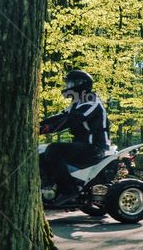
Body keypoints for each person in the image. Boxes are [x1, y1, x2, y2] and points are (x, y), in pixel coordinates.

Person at [39, 69, 111, 206]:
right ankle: (48, 189)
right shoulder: (76, 104)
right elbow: (60, 117)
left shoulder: (92, 101)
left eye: (70, 83)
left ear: (80, 84)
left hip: (95, 148)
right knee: (42, 155)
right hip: (81, 146)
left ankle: (69, 189)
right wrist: (38, 125)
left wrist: (48, 129)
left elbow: (75, 119)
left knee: (54, 149)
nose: (67, 86)